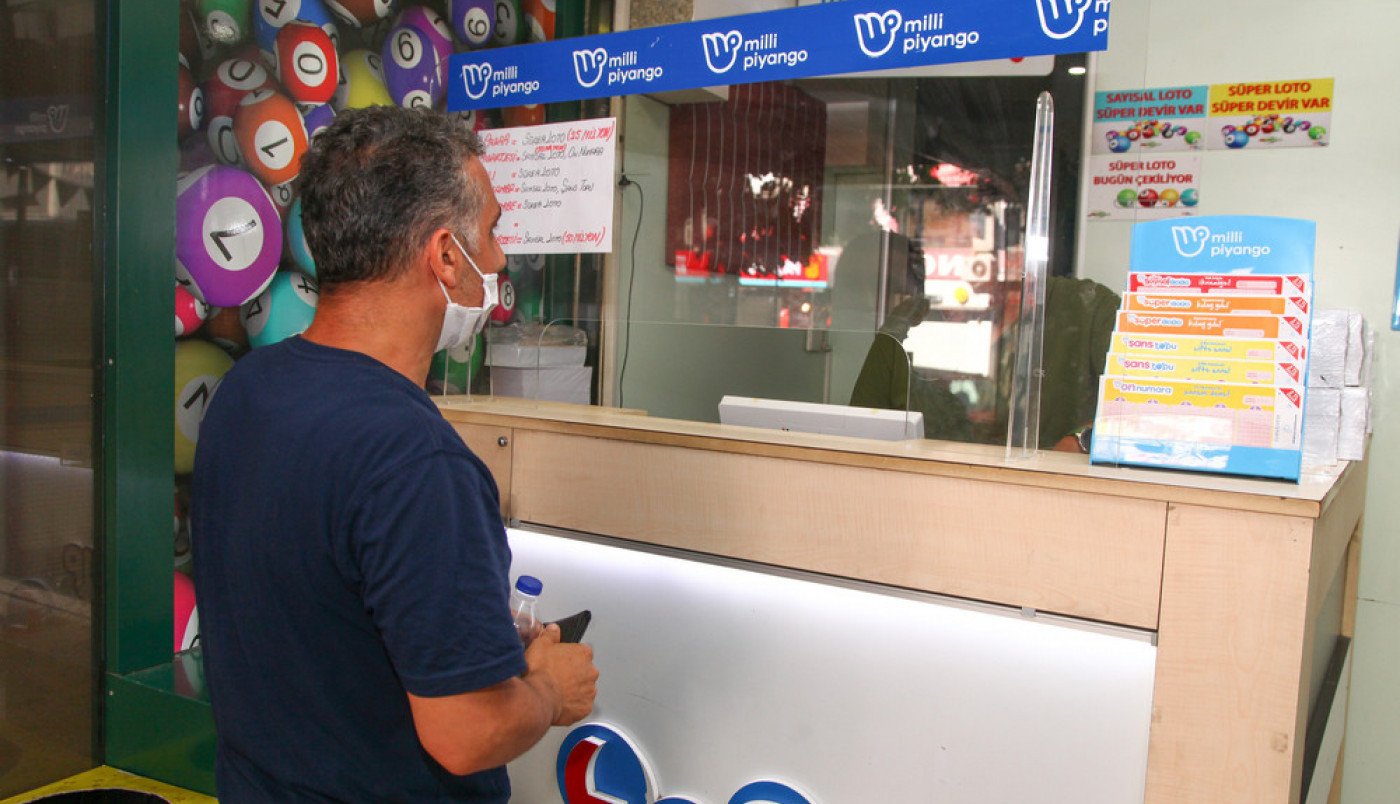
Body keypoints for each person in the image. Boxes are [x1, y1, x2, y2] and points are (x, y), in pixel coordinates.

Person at [191, 106, 598, 803]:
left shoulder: (246, 391)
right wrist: (547, 690)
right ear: (445, 254)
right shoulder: (416, 464)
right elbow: (465, 734)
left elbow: (314, 607)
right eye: (492, 230)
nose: (497, 258)